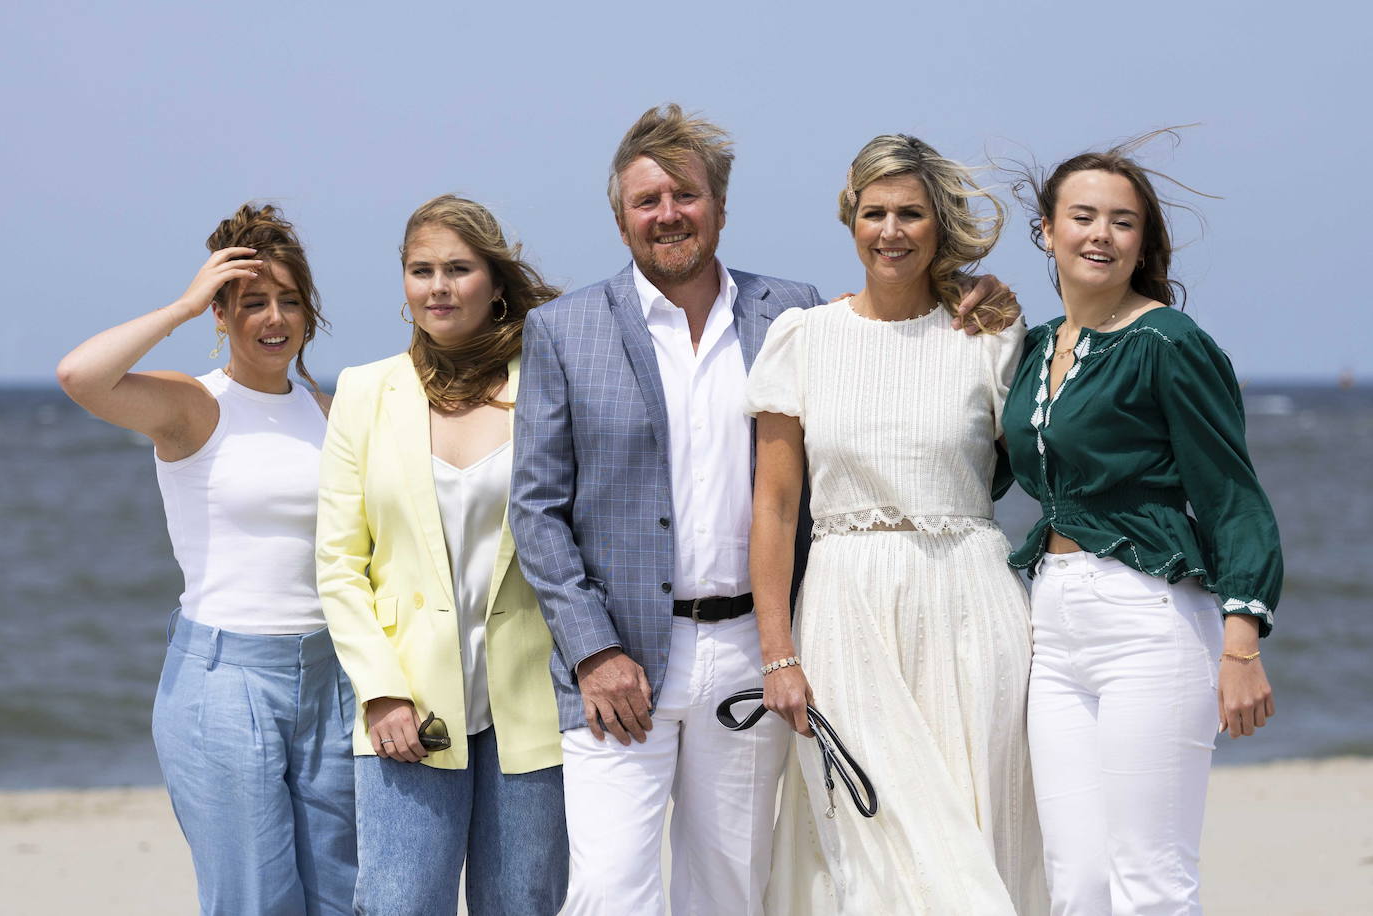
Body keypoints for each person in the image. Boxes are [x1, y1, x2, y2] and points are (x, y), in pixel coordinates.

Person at [509, 104, 1018, 916]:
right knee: (609, 890)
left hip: (752, 652)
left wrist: (972, 292)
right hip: (621, 664)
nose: (668, 214)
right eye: (648, 200)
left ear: (718, 206)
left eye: (686, 194)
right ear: (619, 216)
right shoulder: (563, 331)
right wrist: (592, 649)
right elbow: (535, 511)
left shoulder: (789, 312)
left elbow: (888, 345)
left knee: (731, 891)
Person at [747, 134, 1049, 915]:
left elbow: (1053, 463)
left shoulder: (990, 337)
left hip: (972, 609)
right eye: (874, 212)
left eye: (911, 213)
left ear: (940, 224)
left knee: (970, 836)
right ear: (851, 220)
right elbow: (775, 508)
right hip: (845, 613)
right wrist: (777, 654)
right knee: (865, 842)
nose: (891, 230)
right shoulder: (802, 339)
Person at [1000, 137, 1282, 914]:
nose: (1101, 234)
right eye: (1083, 216)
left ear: (1142, 242)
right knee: (1076, 880)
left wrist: (1242, 639)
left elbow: (1232, 497)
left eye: (1122, 222)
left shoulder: (1169, 344)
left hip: (1149, 624)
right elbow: (987, 464)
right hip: (1050, 624)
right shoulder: (1028, 349)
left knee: (1149, 882)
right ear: (1047, 232)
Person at [56, 204, 356, 914]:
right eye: (253, 303)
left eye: (290, 301)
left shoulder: (329, 410)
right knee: (256, 902)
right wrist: (183, 306)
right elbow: (79, 375)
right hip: (228, 683)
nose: (275, 318)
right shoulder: (193, 405)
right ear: (222, 316)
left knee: (347, 898)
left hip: (332, 680)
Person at [315, 195, 567, 915]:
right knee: (398, 903)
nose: (438, 286)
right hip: (407, 710)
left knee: (524, 904)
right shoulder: (364, 393)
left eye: (458, 268)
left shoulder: (549, 383)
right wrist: (380, 690)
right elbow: (338, 564)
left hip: (532, 705)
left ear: (494, 281)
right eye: (421, 270)